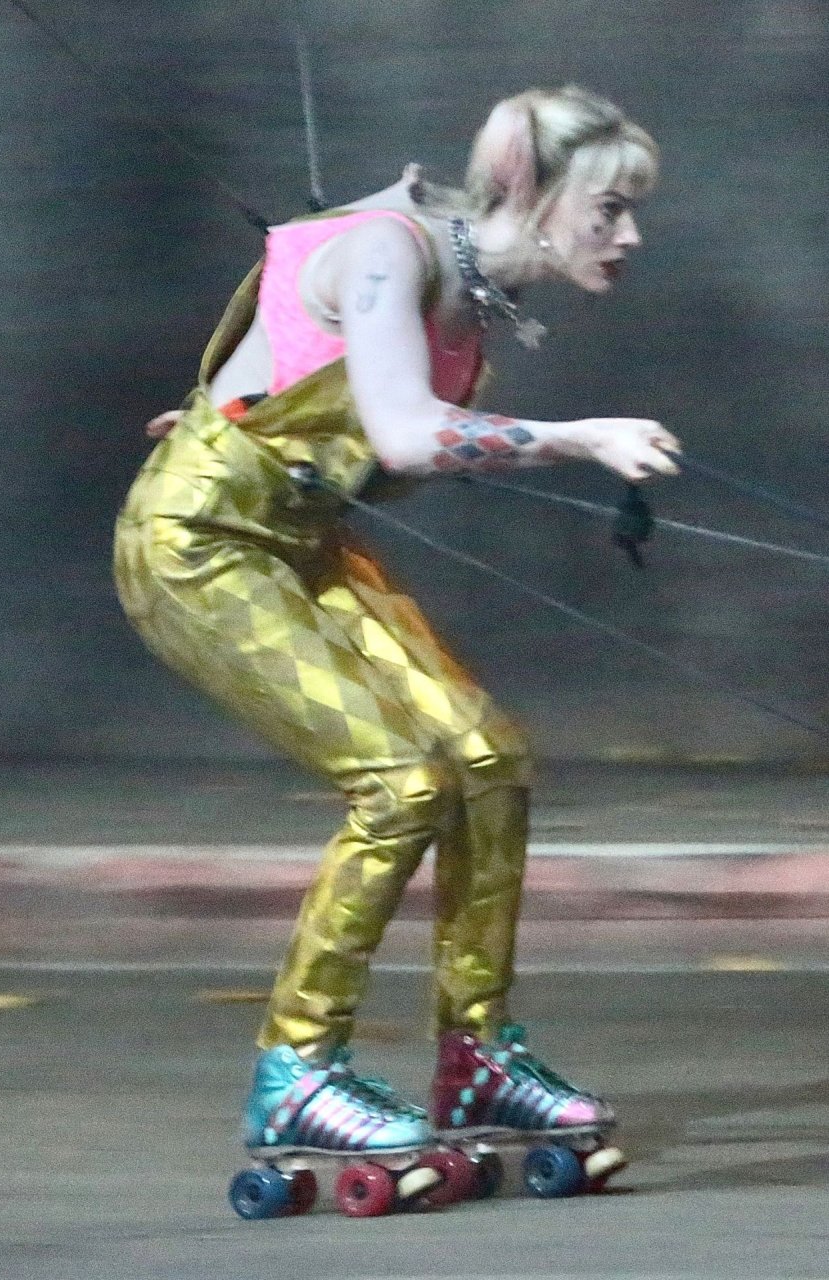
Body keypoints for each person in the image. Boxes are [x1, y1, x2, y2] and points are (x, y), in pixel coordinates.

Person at [114, 85, 680, 1156]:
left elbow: (354, 426)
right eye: (608, 208)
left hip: (298, 542)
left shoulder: (471, 308)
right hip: (198, 547)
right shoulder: (391, 252)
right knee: (400, 779)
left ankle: (477, 1059)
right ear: (528, 187)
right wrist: (582, 437)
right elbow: (411, 437)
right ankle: (297, 1069)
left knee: (486, 755)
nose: (628, 235)